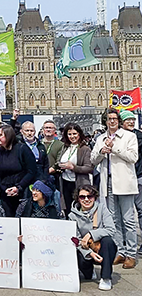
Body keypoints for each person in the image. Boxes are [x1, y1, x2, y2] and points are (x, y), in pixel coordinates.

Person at [90, 108, 139, 269]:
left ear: (118, 121)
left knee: (128, 220)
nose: (112, 121)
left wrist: (115, 148)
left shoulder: (129, 136)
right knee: (114, 220)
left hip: (124, 183)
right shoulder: (100, 138)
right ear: (105, 121)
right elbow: (93, 159)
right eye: (109, 119)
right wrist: (102, 152)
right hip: (108, 183)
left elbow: (133, 157)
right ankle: (121, 251)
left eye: (115, 119)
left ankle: (131, 254)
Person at [68, 184, 117, 291]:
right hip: (85, 248)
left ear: (94, 197)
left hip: (101, 247)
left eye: (89, 196)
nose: (86, 199)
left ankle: (106, 277)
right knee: (87, 274)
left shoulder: (102, 209)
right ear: (78, 198)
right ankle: (89, 271)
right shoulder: (72, 216)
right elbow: (75, 239)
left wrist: (90, 234)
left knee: (108, 241)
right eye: (82, 197)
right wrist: (89, 253)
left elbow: (111, 229)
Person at [0, 124, 37, 216]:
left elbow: (31, 171)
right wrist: (4, 189)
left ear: (8, 136)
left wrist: (18, 187)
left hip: (22, 191)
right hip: (5, 193)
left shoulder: (22, 149)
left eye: (0, 135)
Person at [56, 122, 93, 214]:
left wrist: (73, 167)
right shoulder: (65, 147)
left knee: (79, 208)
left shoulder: (85, 149)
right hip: (65, 182)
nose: (72, 136)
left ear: (79, 134)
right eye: (69, 134)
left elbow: (89, 168)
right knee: (68, 208)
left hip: (78, 183)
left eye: (74, 134)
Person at [119, 110, 142, 255]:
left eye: (132, 120)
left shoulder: (138, 136)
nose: (131, 122)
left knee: (140, 210)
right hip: (122, 178)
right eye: (128, 120)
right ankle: (124, 243)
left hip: (138, 176)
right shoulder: (115, 136)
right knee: (124, 214)